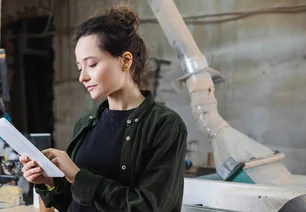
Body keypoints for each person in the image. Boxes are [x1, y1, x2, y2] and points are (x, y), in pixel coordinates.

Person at [20, 3, 188, 212]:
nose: (82, 77)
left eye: (92, 65)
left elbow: (149, 207)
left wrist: (78, 176)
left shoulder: (165, 125)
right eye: (80, 67)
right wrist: (50, 181)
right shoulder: (87, 123)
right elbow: (76, 203)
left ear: (125, 61)